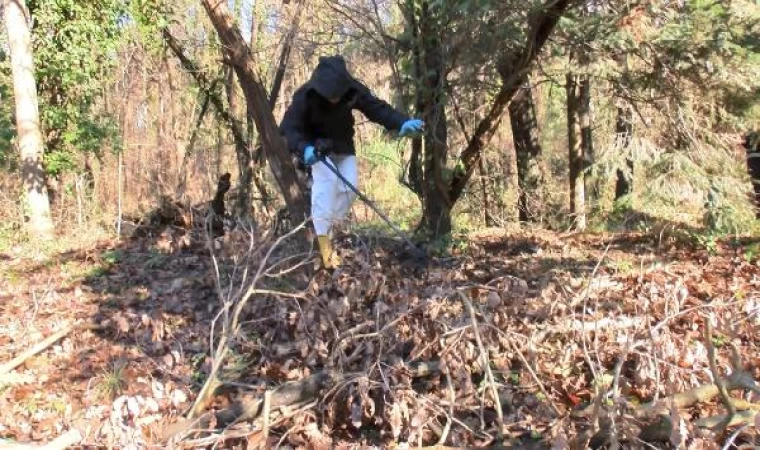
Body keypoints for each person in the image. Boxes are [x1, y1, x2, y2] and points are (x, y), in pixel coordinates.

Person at [280, 55, 423, 269]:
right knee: (326, 185)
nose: (335, 99)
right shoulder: (305, 95)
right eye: (331, 96)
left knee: (350, 188)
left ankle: (329, 231)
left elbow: (377, 108)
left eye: (338, 96)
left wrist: (401, 122)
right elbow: (288, 128)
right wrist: (304, 148)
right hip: (316, 151)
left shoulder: (353, 90)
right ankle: (324, 250)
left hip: (344, 147)